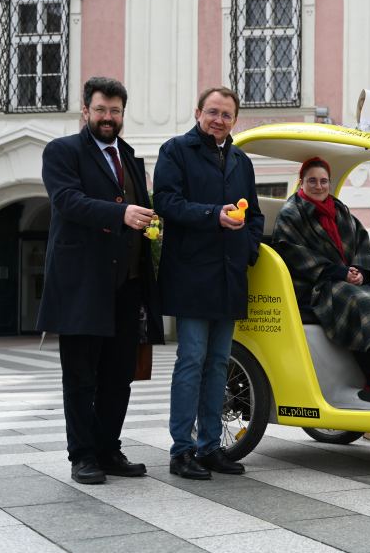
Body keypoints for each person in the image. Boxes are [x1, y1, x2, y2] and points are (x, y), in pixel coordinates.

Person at [37, 77, 164, 485]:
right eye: (101, 109)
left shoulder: (128, 156)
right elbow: (67, 201)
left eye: (115, 111)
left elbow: (135, 211)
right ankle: (83, 456)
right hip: (81, 286)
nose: (108, 117)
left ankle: (109, 448)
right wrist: (122, 213)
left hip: (126, 285)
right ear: (85, 111)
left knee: (118, 376)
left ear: (123, 114)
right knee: (80, 377)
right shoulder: (62, 151)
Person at [153, 86, 264, 480]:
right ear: (198, 111)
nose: (219, 119)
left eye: (227, 114)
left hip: (230, 275)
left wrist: (248, 250)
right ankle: (182, 449)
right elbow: (165, 202)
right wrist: (213, 215)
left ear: (235, 120)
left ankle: (211, 447)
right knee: (191, 360)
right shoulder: (176, 151)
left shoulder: (240, 160)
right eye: (213, 112)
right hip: (191, 274)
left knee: (219, 363)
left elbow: (255, 217)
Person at [272, 157, 370, 404]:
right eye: (312, 181)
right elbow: (292, 252)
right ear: (301, 182)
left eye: (323, 181)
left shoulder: (340, 210)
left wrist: (359, 270)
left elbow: (361, 242)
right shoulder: (291, 213)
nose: (318, 186)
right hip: (314, 285)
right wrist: (339, 273)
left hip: (345, 279)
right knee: (359, 302)